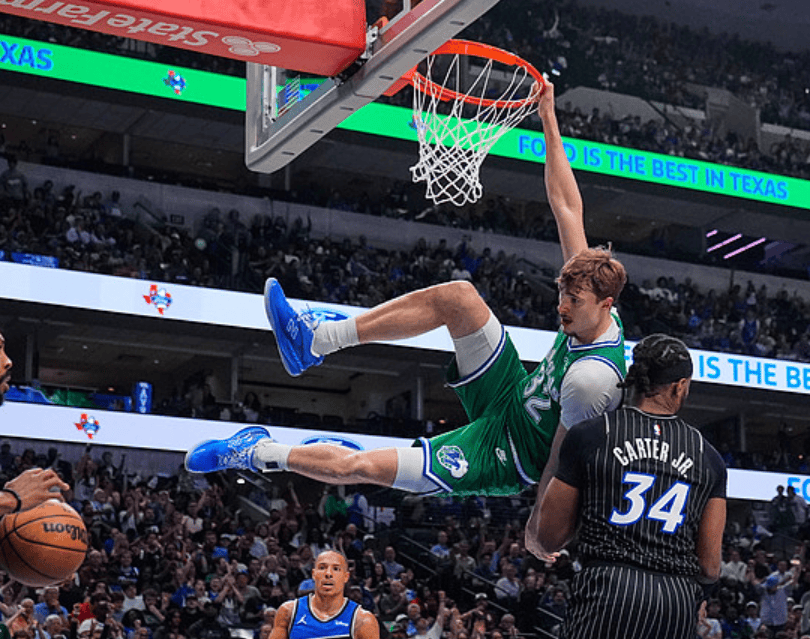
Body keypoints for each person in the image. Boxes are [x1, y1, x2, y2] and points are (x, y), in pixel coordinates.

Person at [186, 82, 628, 508]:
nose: (561, 307)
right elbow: (567, 206)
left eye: (573, 302)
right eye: (561, 293)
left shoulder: (594, 380)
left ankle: (254, 451)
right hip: (511, 393)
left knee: (357, 466)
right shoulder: (587, 286)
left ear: (605, 305)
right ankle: (315, 340)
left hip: (506, 455)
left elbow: (562, 467)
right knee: (459, 297)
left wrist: (540, 527)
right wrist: (548, 117)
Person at [528, 334, 727, 639]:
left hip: (608, 591)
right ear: (680, 386)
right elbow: (710, 567)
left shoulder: (592, 434)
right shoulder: (708, 456)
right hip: (675, 600)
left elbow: (549, 537)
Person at [267, 550, 378, 639]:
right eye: (322, 568)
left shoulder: (363, 620)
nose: (328, 574)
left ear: (346, 577)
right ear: (314, 574)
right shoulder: (288, 612)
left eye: (336, 569)